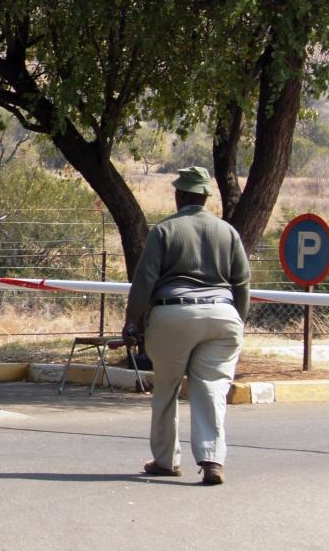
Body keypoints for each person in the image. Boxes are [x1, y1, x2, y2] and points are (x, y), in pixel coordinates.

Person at [123, 165, 250, 486]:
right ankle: (212, 460)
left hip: (174, 314)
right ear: (206, 196)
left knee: (166, 389)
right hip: (223, 315)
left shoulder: (165, 231)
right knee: (211, 388)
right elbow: (242, 283)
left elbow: (144, 280)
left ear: (179, 195)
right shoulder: (228, 232)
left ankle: (166, 461)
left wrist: (132, 320)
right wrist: (238, 319)